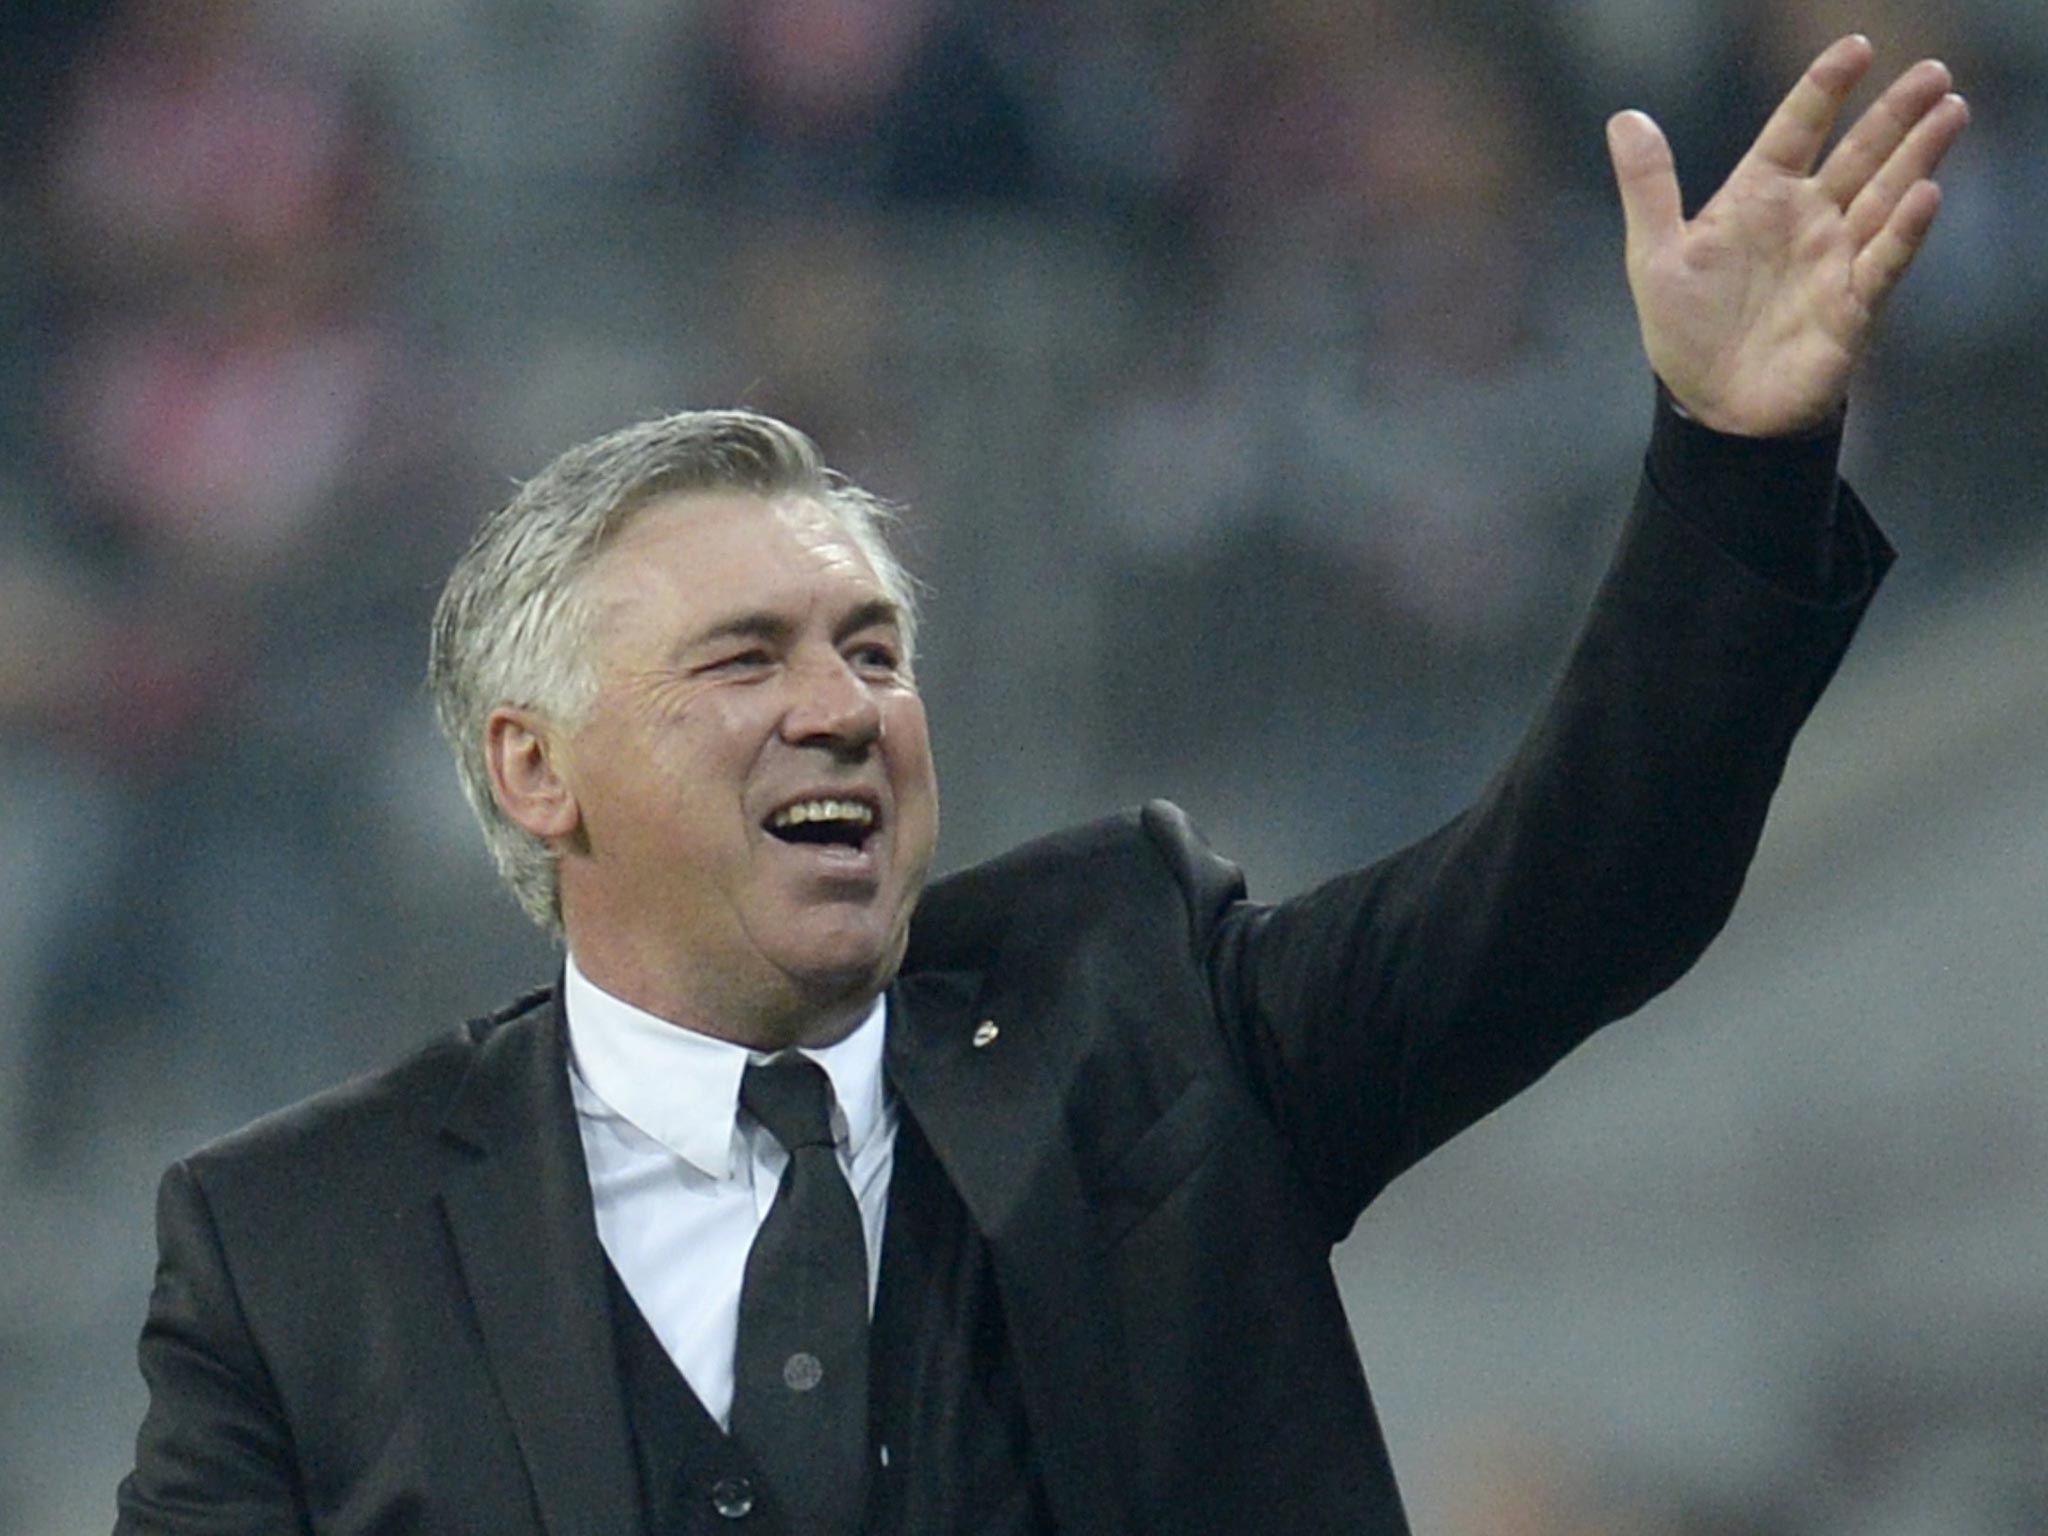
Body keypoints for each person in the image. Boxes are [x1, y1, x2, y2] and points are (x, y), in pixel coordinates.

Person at [114, 37, 1967, 1536]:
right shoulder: (299, 1250)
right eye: (745, 658)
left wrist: (1734, 461)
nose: (840, 708)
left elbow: (1581, 886)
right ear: (537, 769)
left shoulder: (1139, 1006)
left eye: (872, 649)